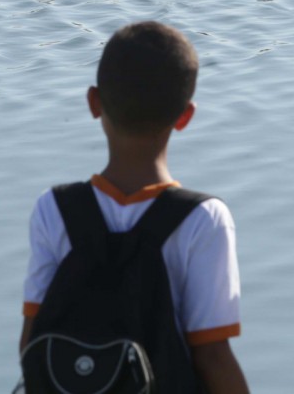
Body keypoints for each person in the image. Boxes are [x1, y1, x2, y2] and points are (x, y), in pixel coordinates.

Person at [20, 21, 249, 394]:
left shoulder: (54, 208)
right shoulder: (203, 220)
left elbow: (32, 340)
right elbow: (212, 356)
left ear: (94, 102)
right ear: (185, 116)